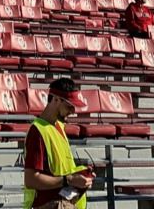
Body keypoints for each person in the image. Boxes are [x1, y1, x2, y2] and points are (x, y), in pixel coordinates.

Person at [23, 77, 95, 209]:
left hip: (62, 203)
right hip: (48, 204)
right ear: (56, 100)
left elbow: (61, 169)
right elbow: (31, 179)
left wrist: (81, 176)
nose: (73, 111)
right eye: (69, 106)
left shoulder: (58, 127)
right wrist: (69, 180)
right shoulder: (37, 131)